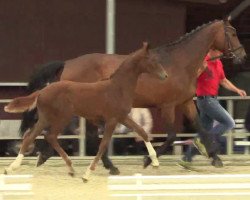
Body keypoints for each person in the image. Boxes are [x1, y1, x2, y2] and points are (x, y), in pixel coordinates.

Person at [179, 49, 247, 168]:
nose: (221, 54)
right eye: (219, 52)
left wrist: (237, 90)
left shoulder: (218, 63)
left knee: (204, 130)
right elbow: (192, 77)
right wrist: (201, 69)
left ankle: (187, 158)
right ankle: (205, 142)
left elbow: (223, 81)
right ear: (212, 51)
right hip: (206, 100)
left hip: (212, 99)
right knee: (229, 122)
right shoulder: (202, 61)